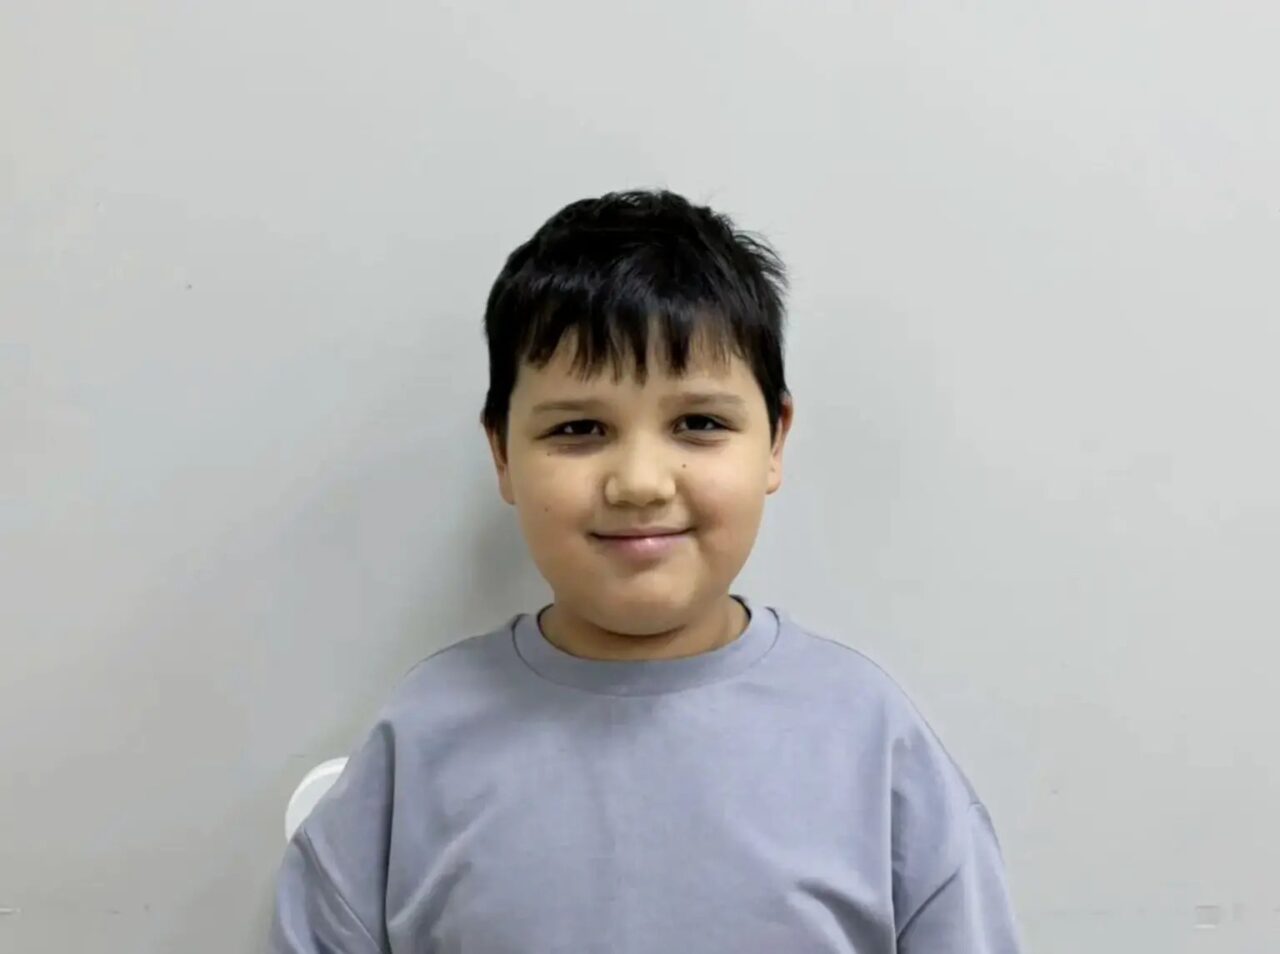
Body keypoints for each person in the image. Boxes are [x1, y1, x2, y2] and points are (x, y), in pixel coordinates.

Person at [269, 189, 1023, 953]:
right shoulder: (424, 739)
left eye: (698, 423)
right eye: (579, 428)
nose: (640, 483)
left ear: (774, 440)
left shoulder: (869, 741)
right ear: (502, 452)